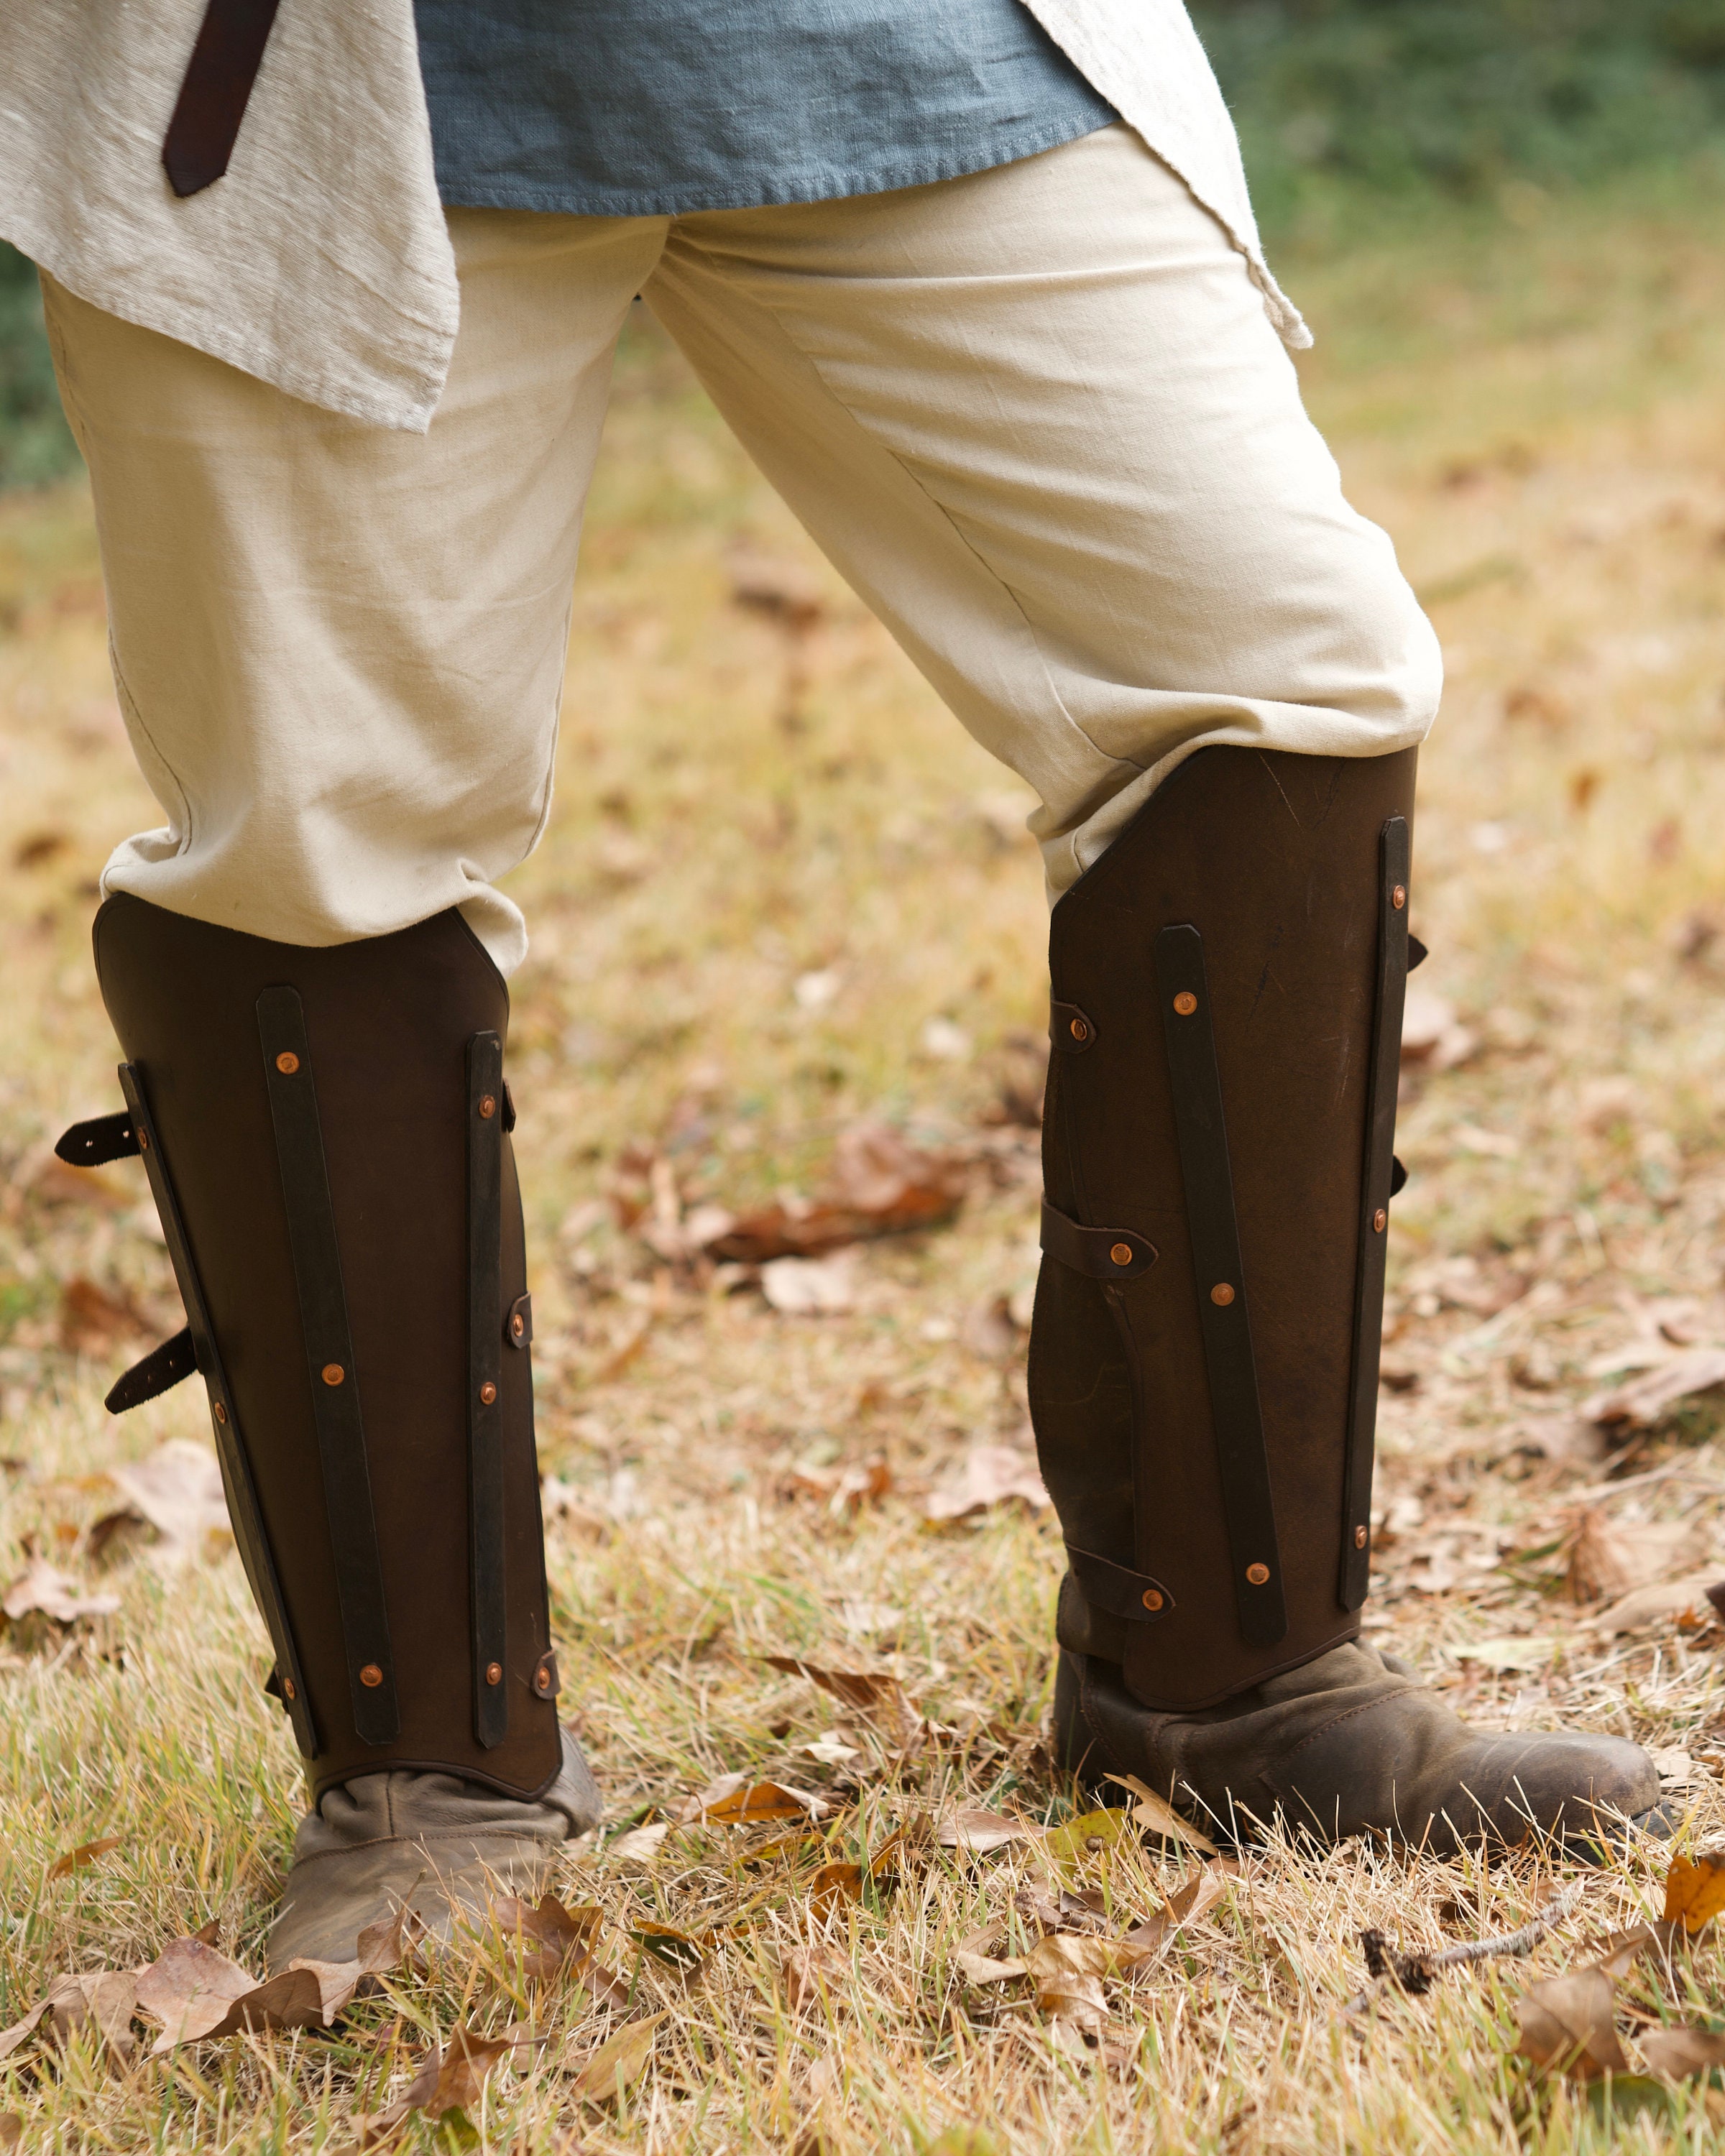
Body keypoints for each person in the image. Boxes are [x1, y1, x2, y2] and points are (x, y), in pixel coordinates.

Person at [4, 0, 1665, 1968]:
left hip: (916, 42)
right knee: (315, 848)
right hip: (307, 88)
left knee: (1277, 683)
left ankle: (1231, 1676)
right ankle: (434, 1779)